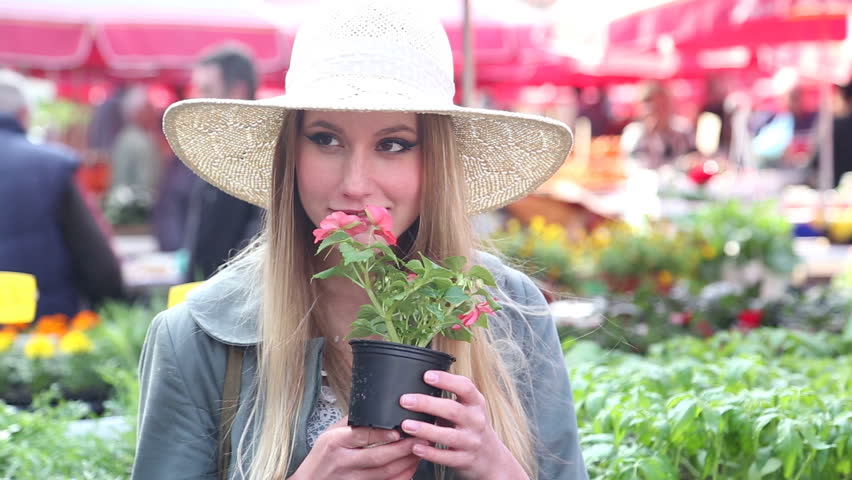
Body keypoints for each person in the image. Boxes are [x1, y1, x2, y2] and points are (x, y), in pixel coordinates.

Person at [132, 2, 587, 479]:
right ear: (290, 153)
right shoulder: (196, 339)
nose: (355, 183)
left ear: (435, 162)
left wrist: (499, 470)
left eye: (393, 144)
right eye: (326, 139)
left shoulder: (511, 315)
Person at [0, 69, 125, 318]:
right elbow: (95, 257)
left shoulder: (52, 166)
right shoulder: (53, 165)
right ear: (24, 114)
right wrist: (113, 299)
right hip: (44, 325)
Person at [182, 45, 264, 280]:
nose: (198, 100)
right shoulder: (215, 147)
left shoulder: (263, 154)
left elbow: (257, 243)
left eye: (206, 90)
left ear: (238, 91)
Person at [621, 81, 694, 169]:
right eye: (656, 107)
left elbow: (692, 157)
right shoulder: (635, 134)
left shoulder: (682, 130)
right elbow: (633, 165)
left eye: (664, 105)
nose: (661, 111)